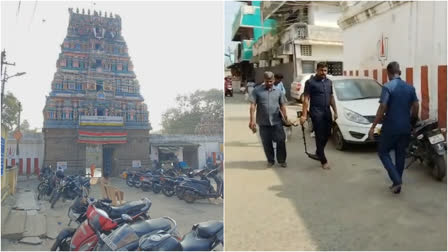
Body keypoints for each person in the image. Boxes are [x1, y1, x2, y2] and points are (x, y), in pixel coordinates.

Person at [368, 61, 419, 194]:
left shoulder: (388, 87)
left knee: (383, 151)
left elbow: (382, 107)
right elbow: (416, 106)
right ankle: (397, 186)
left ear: (388, 73)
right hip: (405, 127)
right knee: (400, 154)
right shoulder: (410, 88)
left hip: (391, 127)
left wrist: (373, 126)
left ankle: (397, 180)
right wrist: (412, 122)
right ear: (399, 72)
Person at [300, 62, 338, 169]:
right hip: (316, 113)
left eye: (325, 70)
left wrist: (335, 111)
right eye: (321, 70)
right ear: (317, 70)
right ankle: (323, 161)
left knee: (327, 134)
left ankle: (318, 152)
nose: (323, 72)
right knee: (319, 135)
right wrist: (304, 115)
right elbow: (306, 99)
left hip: (327, 112)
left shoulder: (329, 82)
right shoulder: (310, 83)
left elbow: (331, 97)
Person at [249, 71, 289, 168]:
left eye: (271, 81)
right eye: (267, 81)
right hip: (263, 122)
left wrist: (285, 117)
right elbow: (252, 106)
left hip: (277, 121)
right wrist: (252, 120)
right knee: (266, 142)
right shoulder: (257, 91)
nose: (269, 83)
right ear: (264, 80)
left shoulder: (279, 91)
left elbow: (282, 105)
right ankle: (270, 160)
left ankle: (282, 160)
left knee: (281, 140)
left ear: (274, 80)